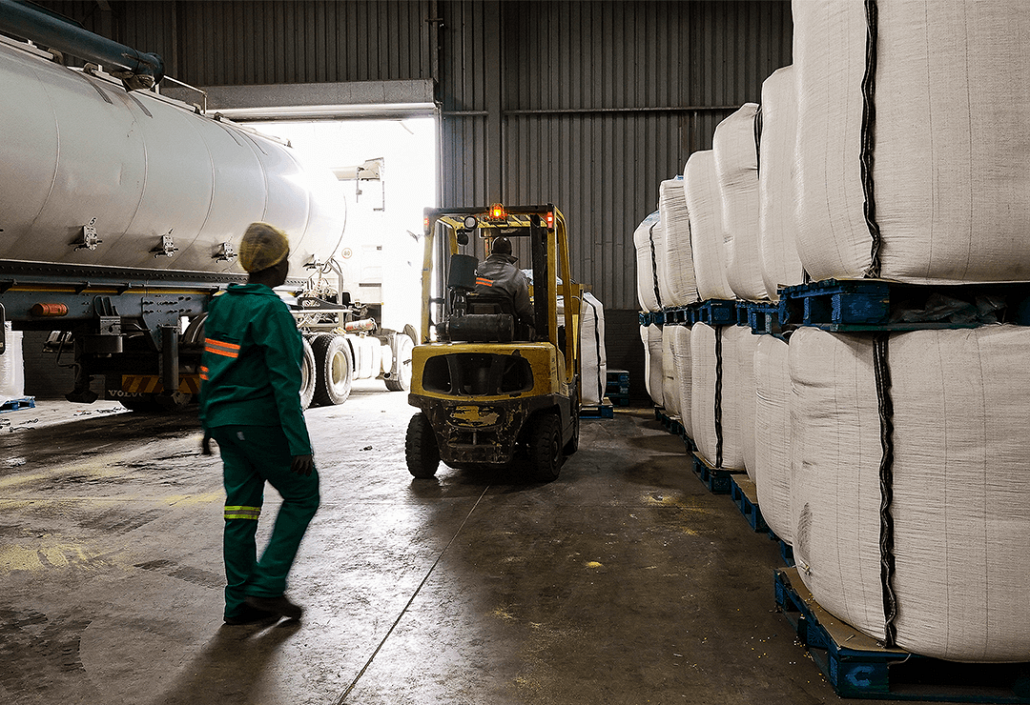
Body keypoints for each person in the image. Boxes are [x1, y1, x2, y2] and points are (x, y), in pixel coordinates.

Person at [199, 222, 319, 626]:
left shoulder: (222, 304)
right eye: (286, 260)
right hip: (259, 422)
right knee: (304, 494)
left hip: (226, 423)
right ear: (277, 267)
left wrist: (207, 422)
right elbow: (285, 383)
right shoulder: (271, 309)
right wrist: (299, 444)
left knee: (241, 512)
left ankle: (239, 605)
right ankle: (266, 589)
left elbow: (210, 369)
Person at [473, 236, 535, 334]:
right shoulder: (517, 276)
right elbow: (523, 309)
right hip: (506, 331)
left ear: (491, 251)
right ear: (510, 253)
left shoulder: (475, 270)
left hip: (474, 329)